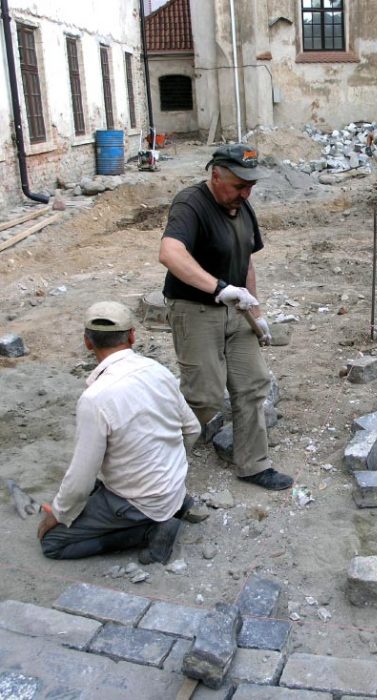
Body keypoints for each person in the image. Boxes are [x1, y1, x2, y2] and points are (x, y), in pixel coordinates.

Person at [158, 143, 293, 491]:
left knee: (252, 386)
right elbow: (170, 253)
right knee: (202, 395)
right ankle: (158, 467)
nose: (245, 193)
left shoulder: (244, 208)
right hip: (195, 309)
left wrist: (256, 312)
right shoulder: (191, 204)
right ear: (215, 175)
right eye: (238, 186)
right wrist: (217, 288)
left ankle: (253, 464)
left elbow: (246, 260)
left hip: (237, 311)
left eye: (250, 186)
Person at [38, 301, 200, 564]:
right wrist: (169, 468)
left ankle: (148, 530)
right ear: (133, 336)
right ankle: (171, 507)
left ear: (88, 343)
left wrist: (58, 514)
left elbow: (80, 480)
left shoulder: (95, 398)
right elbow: (192, 428)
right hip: (173, 488)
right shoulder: (159, 371)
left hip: (140, 501)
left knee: (52, 544)